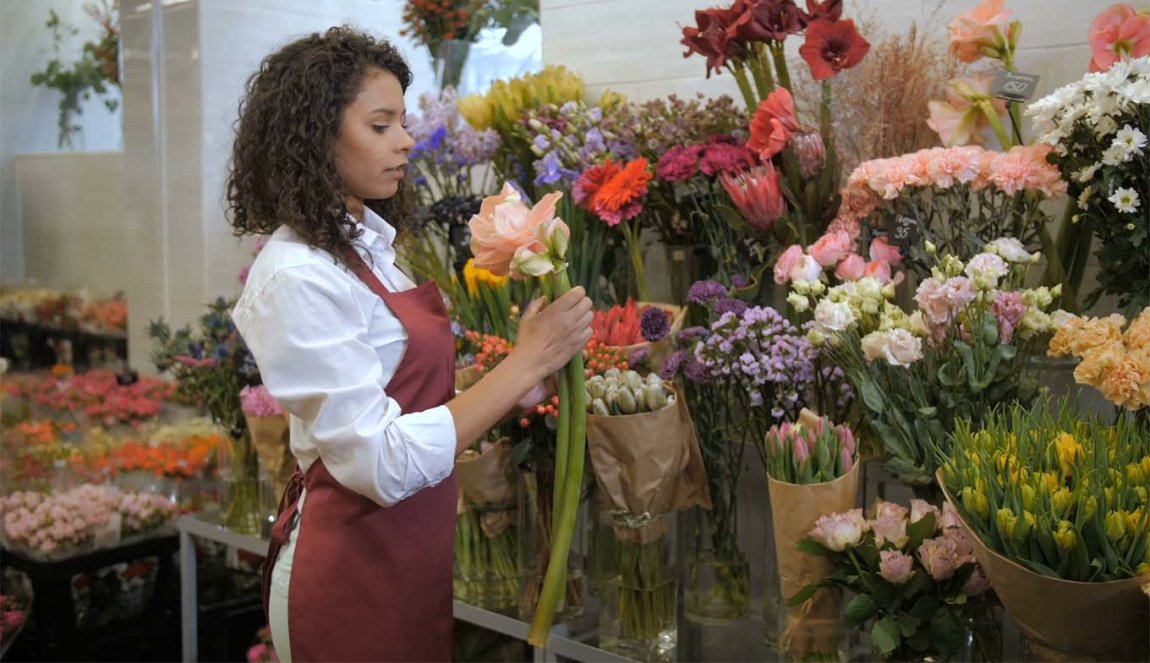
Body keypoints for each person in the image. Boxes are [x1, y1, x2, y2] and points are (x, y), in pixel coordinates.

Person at [226, 27, 593, 663]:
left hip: (413, 563)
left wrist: (516, 379)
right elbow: (380, 463)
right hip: (349, 576)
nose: (406, 141)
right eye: (381, 124)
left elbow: (407, 403)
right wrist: (524, 361)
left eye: (403, 121)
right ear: (315, 135)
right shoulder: (297, 276)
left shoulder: (368, 252)